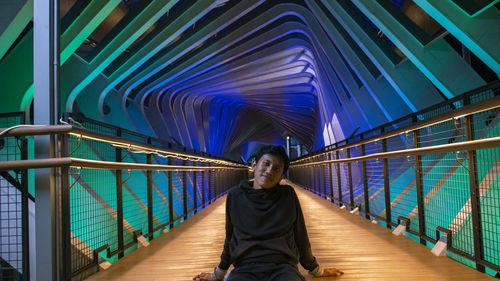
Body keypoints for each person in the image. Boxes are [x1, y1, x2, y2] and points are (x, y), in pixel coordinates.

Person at [193, 145, 343, 281]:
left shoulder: (287, 195)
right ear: (253, 164)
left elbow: (301, 236)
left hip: (283, 267)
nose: (270, 170)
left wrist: (316, 270)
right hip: (245, 268)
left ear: (282, 176)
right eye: (266, 163)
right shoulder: (235, 196)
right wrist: (218, 274)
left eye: (277, 168)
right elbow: (230, 238)